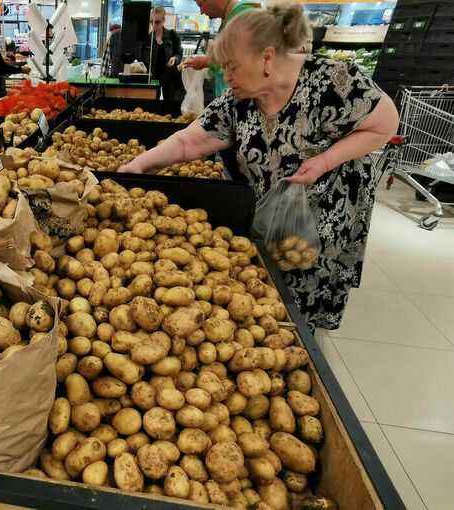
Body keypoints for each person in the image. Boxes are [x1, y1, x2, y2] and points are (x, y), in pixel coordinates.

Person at [119, 2, 399, 331]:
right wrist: (137, 165)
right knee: (271, 290)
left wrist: (324, 161)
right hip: (274, 211)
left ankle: (305, 334)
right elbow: (188, 142)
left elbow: (386, 123)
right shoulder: (238, 100)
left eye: (232, 67)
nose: (226, 77)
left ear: (267, 58)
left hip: (329, 210)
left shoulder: (333, 80)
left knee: (306, 294)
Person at [183, 0, 256, 99]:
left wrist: (205, 62)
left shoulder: (242, 14)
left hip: (240, 99)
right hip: (228, 98)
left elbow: (243, 61)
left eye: (200, 5)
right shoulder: (227, 19)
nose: (201, 12)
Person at [141, 7, 185, 101]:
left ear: (163, 20)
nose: (154, 25)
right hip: (153, 77)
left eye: (157, 22)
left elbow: (179, 53)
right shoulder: (147, 39)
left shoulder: (172, 35)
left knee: (171, 105)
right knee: (152, 105)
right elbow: (142, 59)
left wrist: (175, 59)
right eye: (151, 22)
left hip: (170, 77)